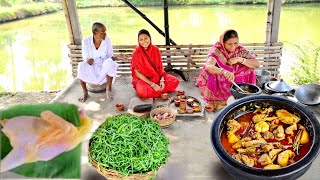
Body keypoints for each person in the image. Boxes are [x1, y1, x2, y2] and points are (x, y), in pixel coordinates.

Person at [196, 29, 259, 106]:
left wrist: (239, 59)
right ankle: (221, 97)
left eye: (235, 43)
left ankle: (240, 92)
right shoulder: (216, 50)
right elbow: (208, 66)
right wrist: (224, 72)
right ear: (223, 43)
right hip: (221, 76)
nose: (233, 46)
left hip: (233, 75)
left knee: (249, 67)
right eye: (229, 44)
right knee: (211, 72)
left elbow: (256, 64)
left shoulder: (240, 50)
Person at [130, 29, 179, 98]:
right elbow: (137, 73)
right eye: (141, 39)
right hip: (144, 80)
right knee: (142, 90)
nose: (144, 41)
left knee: (175, 81)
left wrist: (162, 80)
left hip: (157, 76)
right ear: (138, 41)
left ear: (150, 38)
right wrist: (152, 84)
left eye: (146, 38)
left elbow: (160, 67)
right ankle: (160, 91)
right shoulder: (136, 53)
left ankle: (156, 91)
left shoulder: (155, 49)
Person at [77, 22, 119, 102]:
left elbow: (110, 56)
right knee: (81, 65)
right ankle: (85, 91)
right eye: (102, 32)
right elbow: (85, 56)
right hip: (92, 66)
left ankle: (108, 88)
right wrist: (88, 60)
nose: (105, 34)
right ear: (94, 32)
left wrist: (117, 57)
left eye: (105, 31)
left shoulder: (107, 40)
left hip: (103, 65)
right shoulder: (86, 41)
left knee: (110, 62)